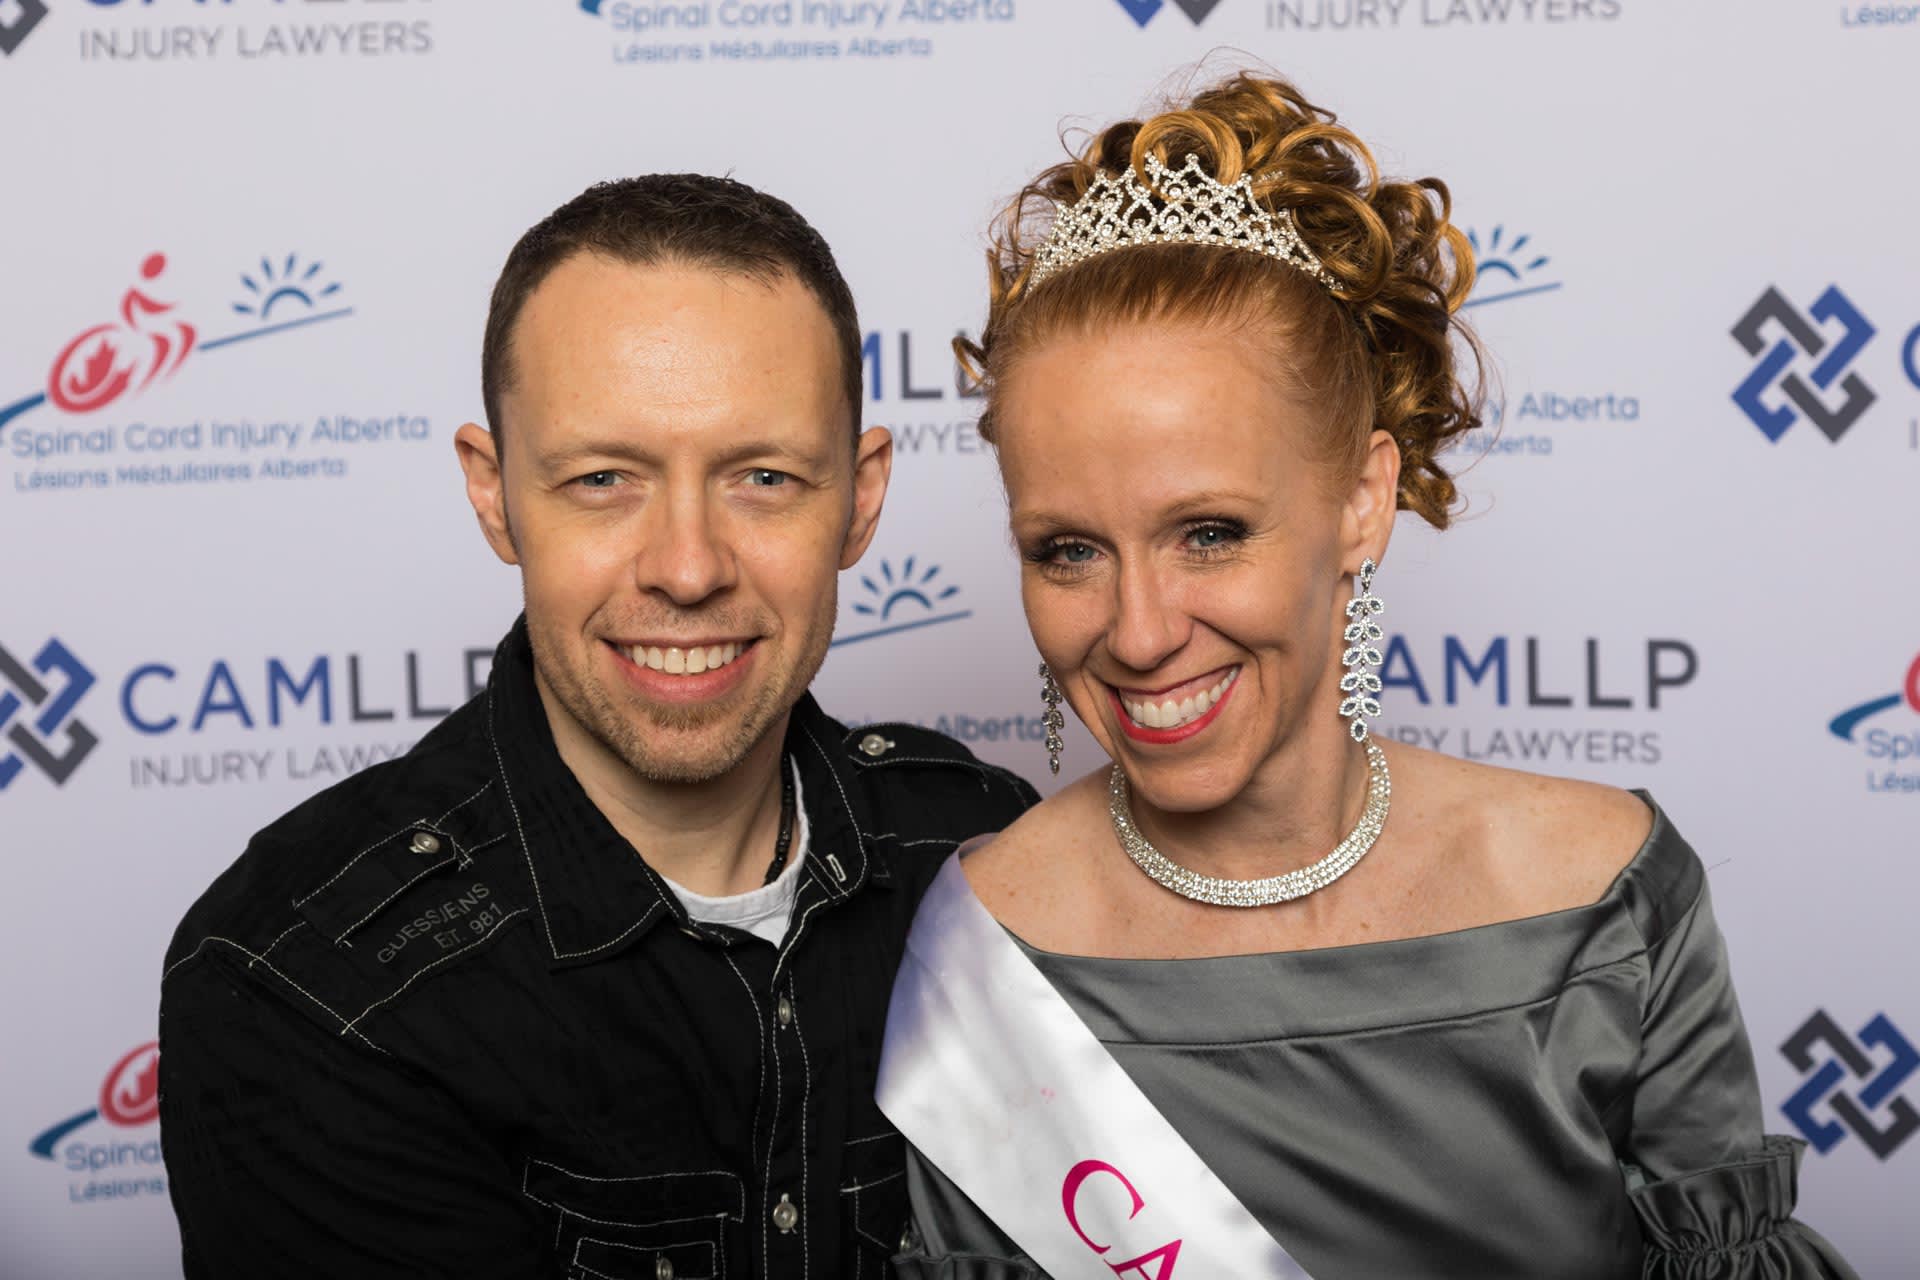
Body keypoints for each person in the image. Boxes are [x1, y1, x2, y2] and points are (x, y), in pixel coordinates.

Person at [876, 74, 1858, 1279]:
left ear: (1362, 501)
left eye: (1211, 531)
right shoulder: (990, 949)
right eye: (1068, 550)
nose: (1136, 633)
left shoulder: (1608, 899)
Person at [158, 174, 1036, 1279]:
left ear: (859, 500)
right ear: (494, 495)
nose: (686, 567)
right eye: (603, 478)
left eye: (763, 476)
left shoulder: (983, 857)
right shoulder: (304, 984)